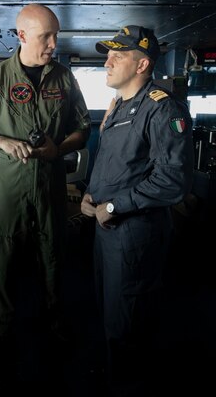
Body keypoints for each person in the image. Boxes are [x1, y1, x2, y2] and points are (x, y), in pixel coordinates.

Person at [0, 3, 91, 391]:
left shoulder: (64, 78)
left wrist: (58, 148)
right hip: (9, 184)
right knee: (2, 253)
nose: (54, 43)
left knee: (54, 251)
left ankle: (54, 319)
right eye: (46, 36)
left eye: (56, 35)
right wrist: (0, 141)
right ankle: (3, 331)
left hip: (49, 179)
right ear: (21, 36)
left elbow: (83, 128)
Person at [80, 26, 194, 397]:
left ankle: (129, 386)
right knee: (109, 312)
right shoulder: (121, 105)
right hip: (105, 227)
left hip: (134, 234)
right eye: (108, 54)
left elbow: (173, 181)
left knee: (128, 320)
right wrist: (90, 195)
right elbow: (118, 163)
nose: (107, 62)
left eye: (118, 55)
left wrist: (113, 205)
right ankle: (117, 375)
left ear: (142, 63)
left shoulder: (162, 108)